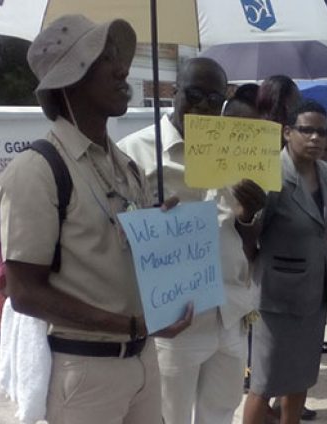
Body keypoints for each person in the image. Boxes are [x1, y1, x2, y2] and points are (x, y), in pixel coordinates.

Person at [0, 15, 192, 423]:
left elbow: (114, 247)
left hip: (142, 361)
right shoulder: (37, 170)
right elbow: (26, 293)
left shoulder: (124, 164)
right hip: (85, 373)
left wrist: (155, 231)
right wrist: (133, 325)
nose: (123, 69)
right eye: (105, 59)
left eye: (118, 57)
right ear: (70, 79)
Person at [118, 57, 264, 424]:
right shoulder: (132, 152)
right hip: (176, 317)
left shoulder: (236, 148)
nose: (202, 106)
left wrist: (251, 213)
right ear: (172, 92)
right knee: (171, 417)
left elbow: (242, 231)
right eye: (194, 95)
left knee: (220, 412)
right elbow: (116, 238)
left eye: (214, 100)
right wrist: (147, 218)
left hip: (230, 310)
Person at [242, 100, 327, 424]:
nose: (315, 138)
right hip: (277, 301)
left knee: (300, 378)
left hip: (315, 295)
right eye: (306, 130)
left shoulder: (326, 174)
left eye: (321, 132)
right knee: (265, 383)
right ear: (287, 133)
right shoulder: (270, 174)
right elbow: (250, 239)